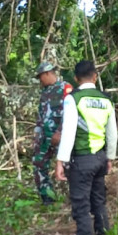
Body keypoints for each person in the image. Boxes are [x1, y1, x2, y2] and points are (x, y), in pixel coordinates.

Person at [55, 60, 117, 235]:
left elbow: (69, 132)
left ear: (75, 79)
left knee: (80, 202)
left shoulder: (74, 99)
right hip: (100, 158)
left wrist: (60, 161)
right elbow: (112, 132)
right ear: (95, 77)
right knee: (98, 200)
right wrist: (110, 158)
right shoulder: (105, 99)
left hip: (82, 159)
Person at [33, 62, 72, 205]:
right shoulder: (44, 92)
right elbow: (40, 115)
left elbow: (70, 113)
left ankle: (75, 197)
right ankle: (47, 198)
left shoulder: (65, 88)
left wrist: (60, 132)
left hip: (60, 137)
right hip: (44, 137)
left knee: (68, 167)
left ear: (48, 73)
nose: (40, 80)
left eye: (40, 77)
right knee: (39, 164)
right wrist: (37, 134)